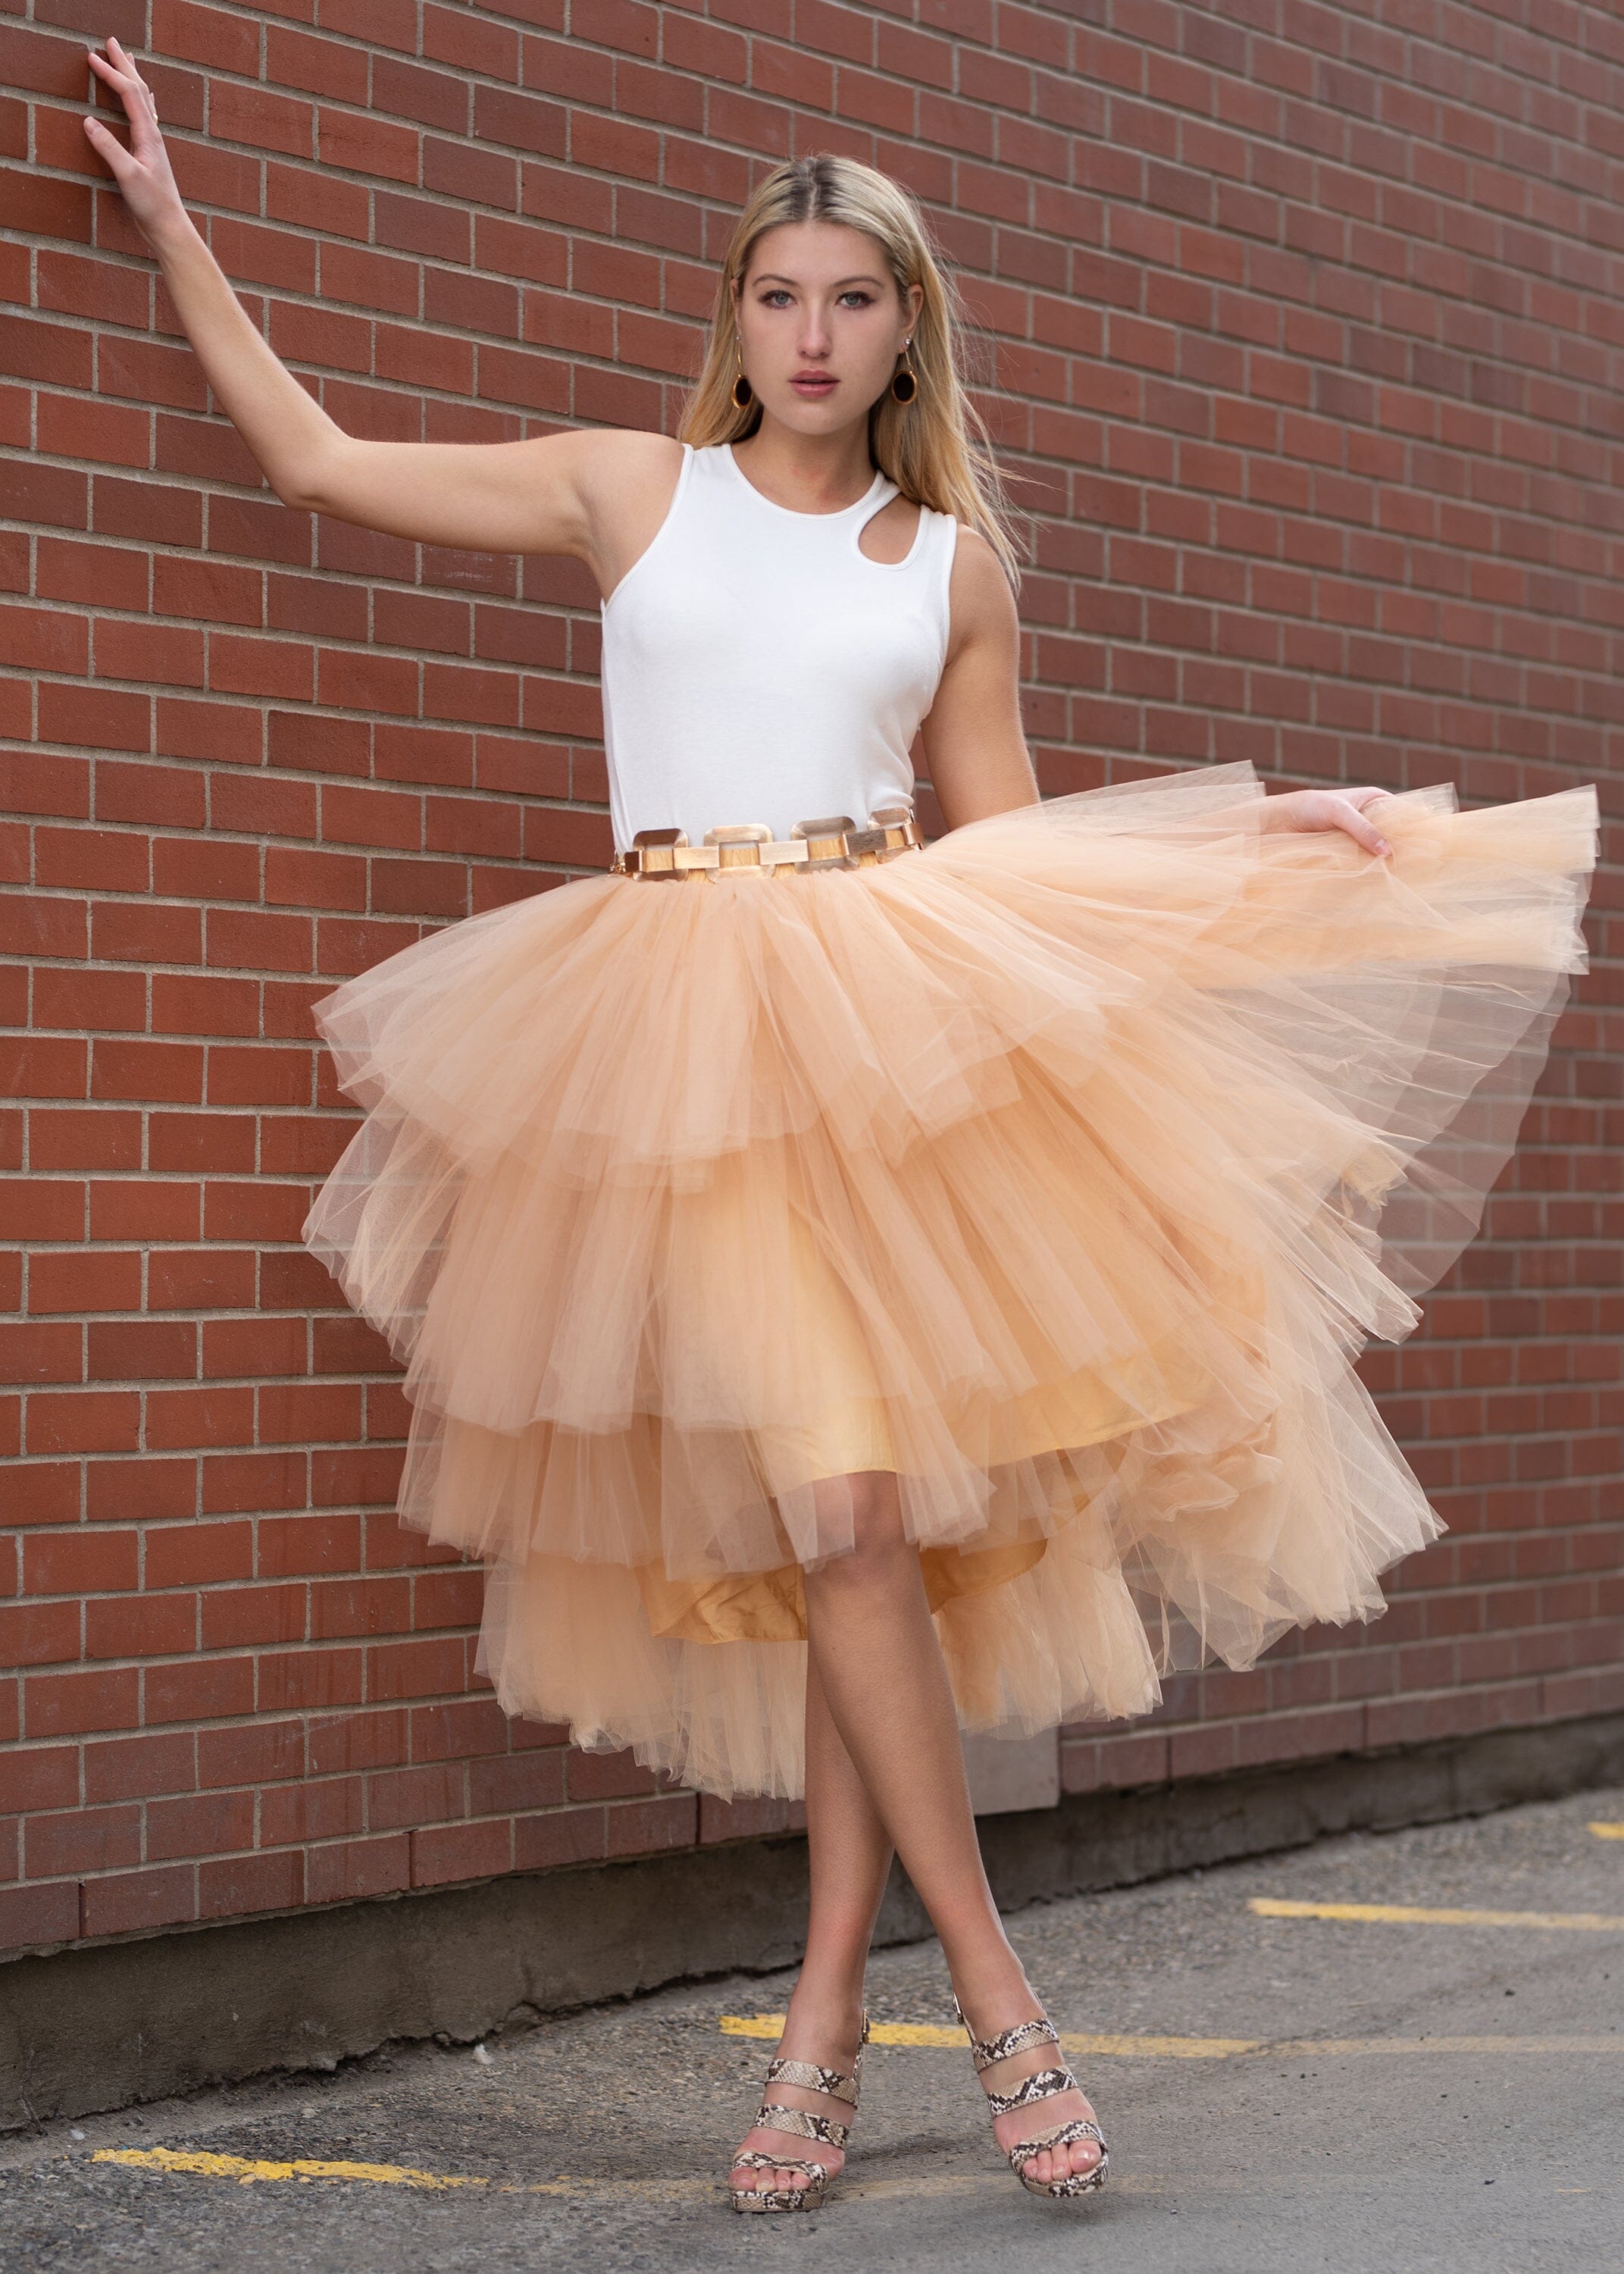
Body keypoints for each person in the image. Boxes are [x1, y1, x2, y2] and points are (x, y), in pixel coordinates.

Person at [83, 39, 1597, 2216]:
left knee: (852, 1535)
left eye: (853, 300)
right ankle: (996, 1998)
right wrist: (171, 222)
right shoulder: (632, 490)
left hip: (883, 1051)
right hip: (678, 1057)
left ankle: (822, 2031)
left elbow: (1016, 852)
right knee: (849, 1523)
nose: (811, 335)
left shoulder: (946, 567)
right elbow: (317, 461)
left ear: (906, 329)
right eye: (778, 295)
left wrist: (1267, 825)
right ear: (737, 316)